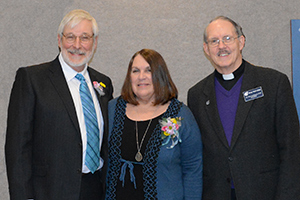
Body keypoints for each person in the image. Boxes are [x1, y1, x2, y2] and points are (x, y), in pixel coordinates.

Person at [188, 15, 300, 200]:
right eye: (214, 41)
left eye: (227, 39)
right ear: (206, 49)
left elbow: (292, 150)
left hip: (265, 194)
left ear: (241, 42)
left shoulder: (273, 84)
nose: (221, 46)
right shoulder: (197, 95)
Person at [5, 9, 113, 200]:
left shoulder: (103, 84)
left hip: (95, 189)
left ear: (94, 43)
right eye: (70, 37)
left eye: (85, 37)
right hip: (49, 191)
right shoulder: (32, 79)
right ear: (59, 40)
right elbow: (18, 147)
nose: (77, 45)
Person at [105, 49, 203, 199]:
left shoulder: (181, 116)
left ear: (160, 76)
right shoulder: (112, 110)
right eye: (135, 71)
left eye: (148, 70)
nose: (141, 77)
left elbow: (193, 168)